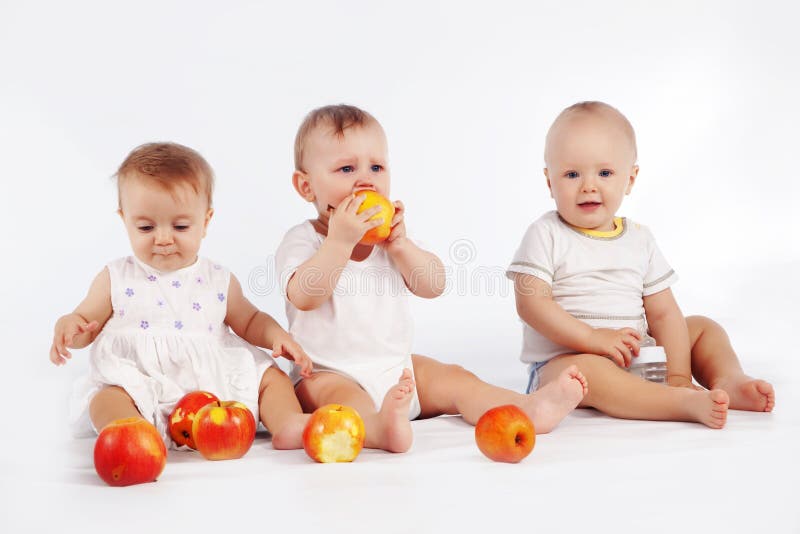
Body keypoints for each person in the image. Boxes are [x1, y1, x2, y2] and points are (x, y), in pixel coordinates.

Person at [276, 104, 588, 453]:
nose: (366, 179)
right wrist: (339, 241)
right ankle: (378, 428)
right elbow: (304, 296)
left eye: (376, 167)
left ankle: (525, 408)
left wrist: (401, 247)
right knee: (341, 399)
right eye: (346, 168)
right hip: (327, 372)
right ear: (306, 187)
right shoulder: (304, 240)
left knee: (454, 378)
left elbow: (433, 284)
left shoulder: (392, 241)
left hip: (397, 368)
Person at [508, 101, 775, 429]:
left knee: (703, 327)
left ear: (630, 179)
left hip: (637, 353)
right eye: (572, 174)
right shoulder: (546, 233)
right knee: (586, 372)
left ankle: (728, 379)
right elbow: (531, 304)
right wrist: (592, 338)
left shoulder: (639, 239)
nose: (589, 185)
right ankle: (678, 402)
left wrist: (677, 372)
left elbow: (663, 313)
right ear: (550, 182)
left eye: (604, 173)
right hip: (566, 363)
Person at [50, 142, 313, 460]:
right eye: (145, 227)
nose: (162, 238)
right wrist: (71, 328)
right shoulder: (116, 277)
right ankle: (131, 434)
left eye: (180, 226)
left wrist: (277, 337)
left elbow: (250, 320)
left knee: (271, 377)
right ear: (125, 219)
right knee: (106, 397)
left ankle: (287, 423)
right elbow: (86, 322)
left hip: (214, 382)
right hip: (141, 378)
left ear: (206, 220)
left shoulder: (218, 278)